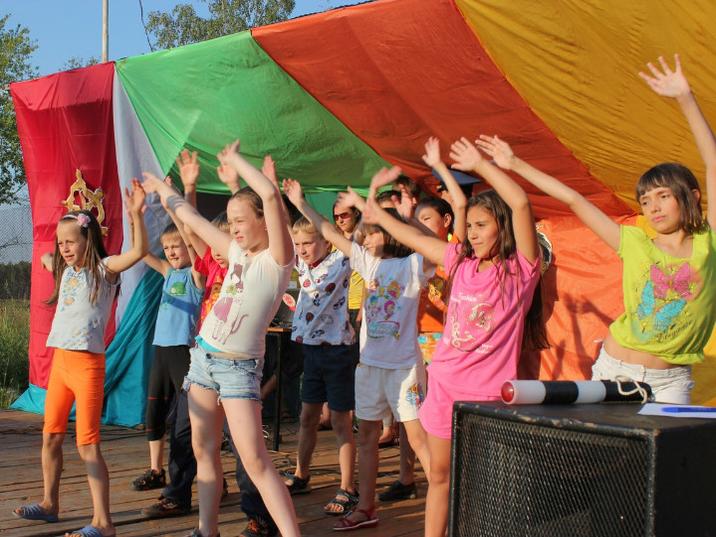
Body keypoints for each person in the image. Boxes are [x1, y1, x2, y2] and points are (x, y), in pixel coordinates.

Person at [478, 55, 716, 404]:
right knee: (604, 443)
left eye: (663, 196)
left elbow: (712, 163)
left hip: (671, 382)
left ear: (692, 196)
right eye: (645, 200)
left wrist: (685, 98)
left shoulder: (709, 243)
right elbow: (574, 199)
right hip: (615, 368)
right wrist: (515, 163)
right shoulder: (633, 241)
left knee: (668, 442)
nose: (653, 207)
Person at [361, 140, 545, 537]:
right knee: (440, 477)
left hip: (488, 396)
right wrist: (380, 217)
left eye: (482, 226)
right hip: (445, 387)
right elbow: (416, 240)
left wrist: (482, 165)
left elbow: (521, 204)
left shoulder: (519, 272)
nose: (473, 234)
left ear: (502, 227)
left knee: (485, 488)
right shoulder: (460, 263)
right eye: (471, 226)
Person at [141, 139, 299, 537]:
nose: (235, 228)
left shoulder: (277, 261)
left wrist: (236, 161)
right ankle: (206, 530)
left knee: (255, 460)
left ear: (265, 221)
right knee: (203, 450)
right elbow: (193, 220)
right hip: (202, 362)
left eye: (242, 220)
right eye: (231, 221)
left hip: (237, 369)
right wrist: (163, 192)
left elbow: (269, 194)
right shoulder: (237, 254)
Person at [284, 171, 434, 531]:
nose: (364, 237)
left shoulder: (413, 266)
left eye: (373, 231)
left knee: (417, 438)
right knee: (366, 436)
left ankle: (444, 500)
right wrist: (301, 203)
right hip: (369, 366)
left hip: (403, 369)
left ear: (393, 234)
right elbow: (331, 232)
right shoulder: (369, 264)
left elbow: (433, 245)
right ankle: (366, 507)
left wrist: (409, 219)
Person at [13, 181, 148, 537]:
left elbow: (138, 252)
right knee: (50, 437)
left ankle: (104, 523)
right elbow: (47, 259)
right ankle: (49, 504)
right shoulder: (67, 272)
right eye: (61, 242)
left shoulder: (105, 269)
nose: (64, 248)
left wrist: (135, 214)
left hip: (87, 367)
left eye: (71, 241)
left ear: (89, 239)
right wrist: (51, 256)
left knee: (87, 444)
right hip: (61, 364)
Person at [379, 137, 467, 503]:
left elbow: (460, 204)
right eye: (418, 221)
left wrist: (439, 169)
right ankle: (407, 476)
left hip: (443, 346)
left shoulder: (457, 251)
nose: (421, 226)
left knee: (438, 419)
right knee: (410, 414)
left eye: (427, 219)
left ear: (446, 222)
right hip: (414, 343)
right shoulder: (414, 259)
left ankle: (444, 480)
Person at [280, 214, 358, 517]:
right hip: (311, 352)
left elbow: (351, 243)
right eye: (298, 244)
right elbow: (283, 225)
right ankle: (302, 474)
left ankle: (348, 487)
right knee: (307, 417)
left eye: (308, 243)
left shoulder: (341, 260)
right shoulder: (302, 265)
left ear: (326, 242)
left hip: (337, 352)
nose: (302, 249)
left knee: (340, 421)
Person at [132, 219, 204, 492]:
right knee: (154, 410)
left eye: (177, 246)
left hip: (183, 351)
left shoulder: (195, 274)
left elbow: (194, 248)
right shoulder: (167, 272)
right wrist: (135, 217)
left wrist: (182, 220)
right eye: (166, 247)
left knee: (190, 418)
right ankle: (156, 470)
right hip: (161, 349)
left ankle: (211, 476)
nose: (171, 252)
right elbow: (140, 251)